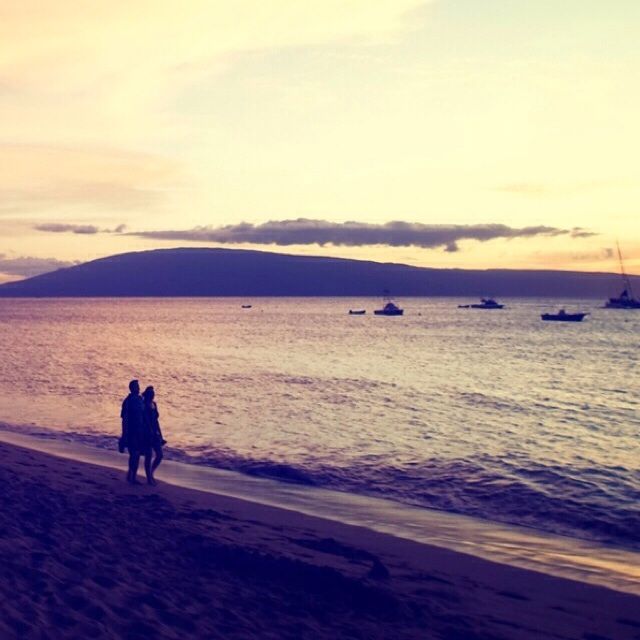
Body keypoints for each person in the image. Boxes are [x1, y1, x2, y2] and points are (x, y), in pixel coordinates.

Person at [120, 379, 150, 484]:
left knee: (137, 455)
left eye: (138, 386)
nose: (138, 388)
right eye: (136, 386)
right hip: (131, 432)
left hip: (140, 431)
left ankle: (132, 475)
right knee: (134, 454)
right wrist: (125, 434)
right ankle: (131, 477)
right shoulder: (128, 401)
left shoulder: (140, 399)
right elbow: (125, 419)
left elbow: (144, 415)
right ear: (132, 388)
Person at [142, 386, 165, 485]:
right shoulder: (143, 404)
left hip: (155, 433)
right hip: (146, 433)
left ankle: (151, 472)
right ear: (147, 394)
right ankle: (149, 478)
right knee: (148, 455)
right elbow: (144, 420)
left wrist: (161, 435)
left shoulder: (154, 404)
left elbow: (156, 421)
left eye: (153, 393)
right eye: (151, 393)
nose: (152, 395)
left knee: (159, 455)